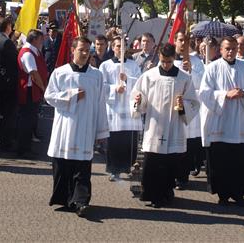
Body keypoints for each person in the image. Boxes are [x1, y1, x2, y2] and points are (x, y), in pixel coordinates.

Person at [45, 36, 109, 217]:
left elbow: (100, 103)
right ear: (72, 50)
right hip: (65, 128)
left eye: (87, 51)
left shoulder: (96, 75)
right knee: (63, 165)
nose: (84, 54)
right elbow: (49, 96)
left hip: (86, 128)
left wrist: (101, 130)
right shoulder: (60, 73)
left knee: (82, 166)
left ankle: (80, 201)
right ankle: (64, 198)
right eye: (80, 50)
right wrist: (71, 95)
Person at [131, 43, 199, 208]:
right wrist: (139, 102)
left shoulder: (184, 78)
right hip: (155, 125)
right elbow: (139, 97)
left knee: (170, 163)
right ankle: (150, 194)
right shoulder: (149, 76)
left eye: (168, 62)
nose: (166, 65)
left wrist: (183, 104)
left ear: (173, 59)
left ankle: (167, 193)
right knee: (152, 162)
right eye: (163, 61)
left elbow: (194, 103)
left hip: (174, 125)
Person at [198, 36, 244, 206]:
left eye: (233, 48)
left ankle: (239, 193)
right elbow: (204, 92)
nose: (230, 52)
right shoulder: (212, 68)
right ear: (220, 50)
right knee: (222, 161)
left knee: (240, 161)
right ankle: (223, 194)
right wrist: (225, 94)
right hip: (221, 121)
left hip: (241, 122)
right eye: (227, 49)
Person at [99, 35, 142, 181]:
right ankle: (114, 169)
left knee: (129, 139)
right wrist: (114, 88)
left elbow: (140, 84)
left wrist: (128, 81)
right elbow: (101, 86)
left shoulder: (133, 65)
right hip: (114, 108)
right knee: (115, 140)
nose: (120, 49)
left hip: (129, 108)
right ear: (112, 47)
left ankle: (129, 166)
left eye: (123, 46)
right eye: (118, 46)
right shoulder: (105, 65)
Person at [173, 31, 205, 188]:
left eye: (186, 41)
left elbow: (202, 85)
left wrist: (192, 71)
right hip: (172, 107)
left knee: (185, 145)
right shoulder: (167, 59)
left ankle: (182, 177)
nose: (183, 44)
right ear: (175, 41)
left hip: (187, 107)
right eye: (180, 40)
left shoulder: (196, 61)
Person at [16, 29, 47, 157]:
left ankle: (26, 147)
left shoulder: (34, 51)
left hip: (33, 90)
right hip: (29, 90)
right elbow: (33, 74)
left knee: (30, 120)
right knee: (26, 121)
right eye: (41, 39)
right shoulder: (28, 53)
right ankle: (23, 149)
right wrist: (43, 88)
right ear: (34, 40)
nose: (42, 42)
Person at [0, 17, 19, 152]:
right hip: (8, 82)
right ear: (8, 26)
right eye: (11, 25)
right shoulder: (6, 42)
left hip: (1, 81)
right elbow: (15, 61)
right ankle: (4, 141)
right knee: (7, 113)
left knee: (1, 112)